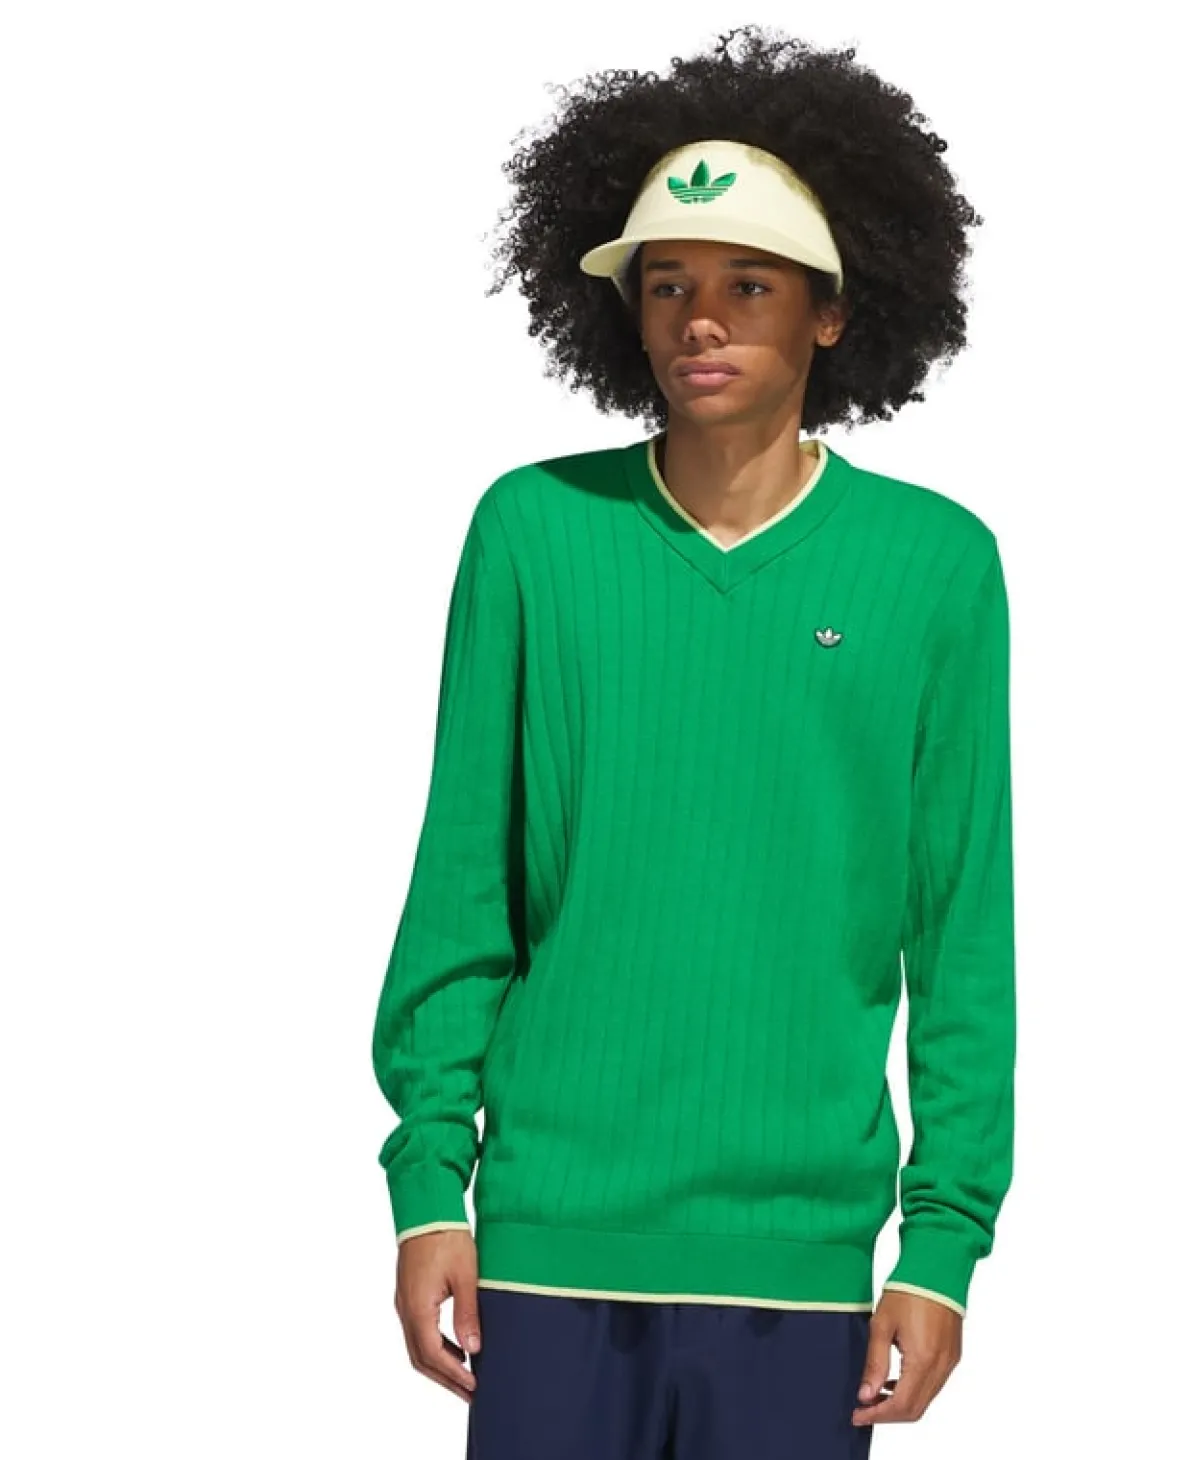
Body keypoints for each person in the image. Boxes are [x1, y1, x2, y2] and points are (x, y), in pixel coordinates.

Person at [370, 24, 1015, 1458]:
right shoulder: (534, 533)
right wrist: (427, 1191)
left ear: (833, 312)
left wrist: (941, 1245)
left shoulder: (935, 566)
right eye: (668, 285)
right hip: (544, 1247)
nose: (700, 321)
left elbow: (961, 934)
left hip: (799, 1270)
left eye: (747, 285)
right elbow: (463, 888)